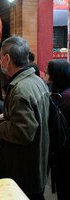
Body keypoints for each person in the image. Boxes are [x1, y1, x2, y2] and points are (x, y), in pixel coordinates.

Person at [0, 36, 50, 200]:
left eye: (1, 57)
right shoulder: (37, 80)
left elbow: (22, 132)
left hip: (23, 169)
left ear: (7, 58)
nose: (0, 61)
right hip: (38, 162)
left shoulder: (20, 89)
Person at [46, 59, 70, 200]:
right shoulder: (63, 94)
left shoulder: (64, 98)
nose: (46, 74)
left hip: (65, 155)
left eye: (49, 72)